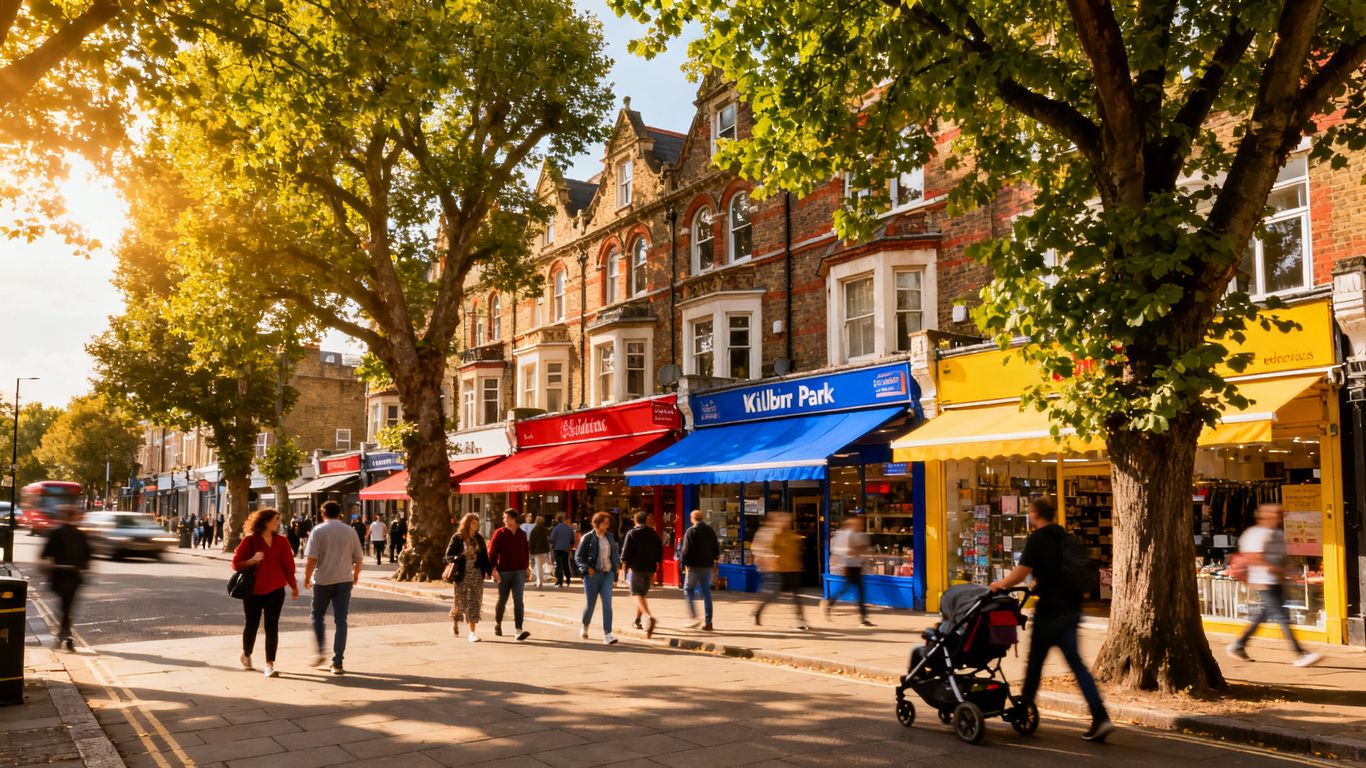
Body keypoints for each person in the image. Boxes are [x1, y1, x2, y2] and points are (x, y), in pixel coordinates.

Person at [990, 496, 1113, 742]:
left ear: (1035, 513)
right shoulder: (1066, 539)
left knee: (1034, 665)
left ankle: (1023, 710)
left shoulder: (1038, 539)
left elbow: (1021, 572)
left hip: (1048, 613)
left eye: (1030, 512)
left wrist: (999, 585)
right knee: (1078, 667)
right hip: (1071, 611)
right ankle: (1100, 716)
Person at [1226, 504, 1324, 667]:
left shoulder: (1278, 534)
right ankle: (1300, 654)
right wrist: (1276, 569)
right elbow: (1254, 557)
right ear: (1264, 516)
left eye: (1280, 515)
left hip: (1277, 581)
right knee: (1282, 617)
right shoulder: (1255, 534)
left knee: (1264, 615)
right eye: (1275, 515)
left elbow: (1283, 556)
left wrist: (1291, 572)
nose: (1278, 518)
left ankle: (1238, 645)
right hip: (1264, 582)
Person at [231, 508, 299, 679]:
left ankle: (269, 665)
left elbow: (288, 567)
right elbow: (236, 564)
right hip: (253, 591)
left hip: (276, 590)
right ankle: (246, 654)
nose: (277, 523)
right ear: (265, 521)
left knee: (272, 627)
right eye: (275, 519)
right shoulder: (250, 540)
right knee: (251, 624)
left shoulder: (282, 542)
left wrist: (294, 586)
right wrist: (252, 560)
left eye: (278, 520)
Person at [304, 500, 364, 675]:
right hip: (344, 580)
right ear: (340, 513)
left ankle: (321, 650)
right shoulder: (350, 531)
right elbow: (359, 558)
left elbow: (311, 559)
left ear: (323, 513)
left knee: (317, 616)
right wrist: (356, 576)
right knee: (341, 620)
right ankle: (337, 663)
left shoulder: (318, 531)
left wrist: (307, 578)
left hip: (323, 580)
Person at [41, 505, 91, 651]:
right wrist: (83, 566)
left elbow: (45, 553)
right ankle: (66, 635)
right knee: (67, 607)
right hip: (74, 575)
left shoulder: (56, 533)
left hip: (59, 574)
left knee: (63, 607)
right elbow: (87, 555)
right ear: (74, 517)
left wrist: (48, 564)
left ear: (63, 517)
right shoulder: (80, 534)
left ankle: (64, 635)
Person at [751, 512, 807, 629]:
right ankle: (758, 612)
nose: (786, 523)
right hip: (777, 570)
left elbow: (795, 549)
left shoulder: (789, 534)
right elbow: (761, 549)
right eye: (783, 521)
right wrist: (768, 558)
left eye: (787, 521)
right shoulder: (770, 534)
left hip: (792, 569)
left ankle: (800, 621)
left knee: (796, 596)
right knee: (771, 595)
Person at [444, 513, 492, 642]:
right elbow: (448, 556)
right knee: (460, 603)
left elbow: (485, 558)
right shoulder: (458, 538)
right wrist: (462, 556)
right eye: (473, 523)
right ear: (467, 523)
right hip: (461, 574)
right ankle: (455, 621)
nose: (476, 526)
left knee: (474, 603)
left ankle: (472, 632)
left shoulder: (479, 539)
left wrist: (490, 571)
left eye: (477, 523)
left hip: (476, 574)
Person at [575, 511, 621, 645]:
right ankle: (585, 625)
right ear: (597, 523)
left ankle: (608, 634)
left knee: (607, 604)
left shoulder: (610, 537)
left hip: (607, 574)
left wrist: (616, 567)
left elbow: (614, 553)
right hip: (592, 575)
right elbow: (578, 557)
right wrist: (586, 568)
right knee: (590, 605)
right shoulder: (588, 538)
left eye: (608, 522)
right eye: (604, 522)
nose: (607, 524)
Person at [487, 509, 532, 641]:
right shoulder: (499, 534)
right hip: (504, 572)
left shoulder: (522, 534)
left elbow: (525, 552)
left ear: (513, 519)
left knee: (519, 601)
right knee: (502, 600)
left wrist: (526, 568)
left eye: (506, 517)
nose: (504, 520)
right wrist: (492, 570)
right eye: (504, 518)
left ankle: (518, 629)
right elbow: (492, 553)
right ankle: (498, 623)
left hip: (519, 572)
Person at [620, 510, 664, 637]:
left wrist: (624, 564)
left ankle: (648, 616)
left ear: (635, 520)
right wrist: (656, 565)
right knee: (642, 595)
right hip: (649, 568)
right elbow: (659, 552)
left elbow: (626, 551)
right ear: (646, 520)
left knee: (636, 594)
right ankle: (637, 621)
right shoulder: (653, 534)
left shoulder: (632, 533)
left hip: (636, 568)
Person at [825, 514, 873, 626]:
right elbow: (836, 549)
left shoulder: (861, 535)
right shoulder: (843, 534)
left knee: (854, 591)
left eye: (861, 523)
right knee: (852, 590)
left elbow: (864, 548)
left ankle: (862, 618)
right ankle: (863, 618)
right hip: (848, 565)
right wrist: (848, 551)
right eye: (857, 522)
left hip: (857, 566)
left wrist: (862, 551)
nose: (860, 525)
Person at [679, 509, 719, 631]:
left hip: (694, 567)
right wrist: (715, 559)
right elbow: (716, 547)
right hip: (707, 566)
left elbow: (685, 550)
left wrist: (683, 564)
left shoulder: (691, 531)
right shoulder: (710, 530)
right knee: (707, 593)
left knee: (688, 589)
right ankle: (708, 622)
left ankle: (693, 616)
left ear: (693, 519)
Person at [549, 514, 576, 588]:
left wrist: (553, 545)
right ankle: (568, 579)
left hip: (557, 549)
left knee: (559, 565)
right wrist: (569, 546)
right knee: (565, 564)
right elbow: (572, 539)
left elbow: (552, 539)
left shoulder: (556, 528)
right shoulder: (569, 529)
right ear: (563, 520)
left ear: (557, 520)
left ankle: (560, 581)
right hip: (566, 549)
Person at [528, 515, 552, 589]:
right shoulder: (544, 530)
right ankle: (538, 581)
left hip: (537, 551)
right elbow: (547, 540)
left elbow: (531, 541)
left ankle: (539, 582)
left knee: (539, 567)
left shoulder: (534, 530)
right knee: (539, 566)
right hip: (544, 551)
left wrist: (530, 549)